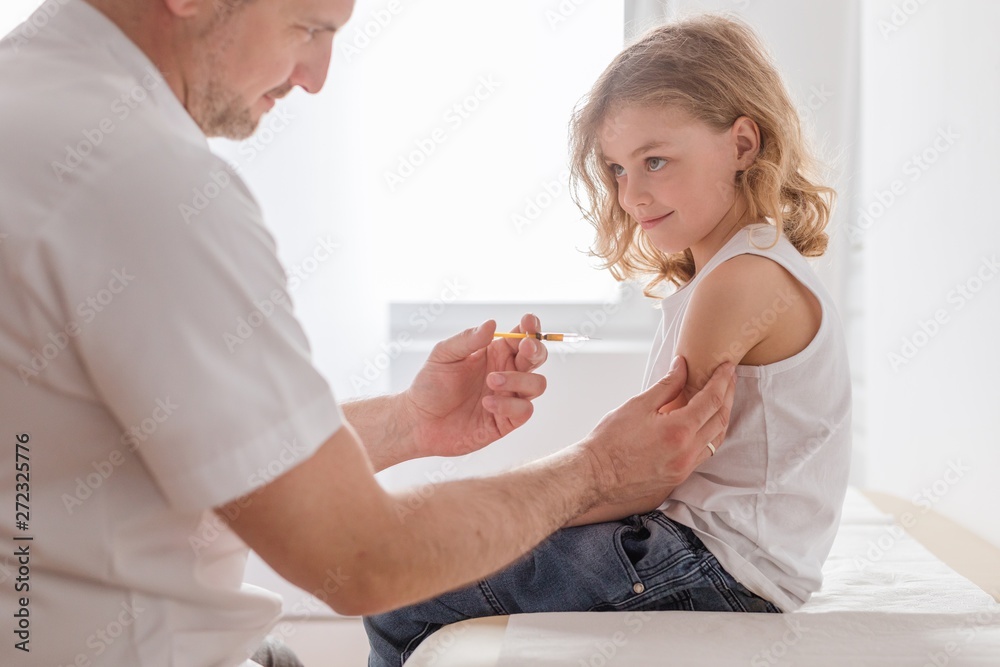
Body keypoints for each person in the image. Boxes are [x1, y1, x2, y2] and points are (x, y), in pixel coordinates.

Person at [0, 1, 738, 665]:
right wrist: (596, 470)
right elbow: (360, 559)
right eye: (310, 27)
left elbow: (159, 447)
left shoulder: (30, 102)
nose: (316, 76)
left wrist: (408, 422)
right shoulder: (145, 184)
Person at [363, 14, 853, 666]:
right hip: (721, 557)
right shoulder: (739, 265)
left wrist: (510, 517)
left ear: (742, 143)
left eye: (655, 161)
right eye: (618, 169)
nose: (631, 194)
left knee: (398, 587)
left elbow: (652, 466)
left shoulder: (741, 280)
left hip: (710, 564)